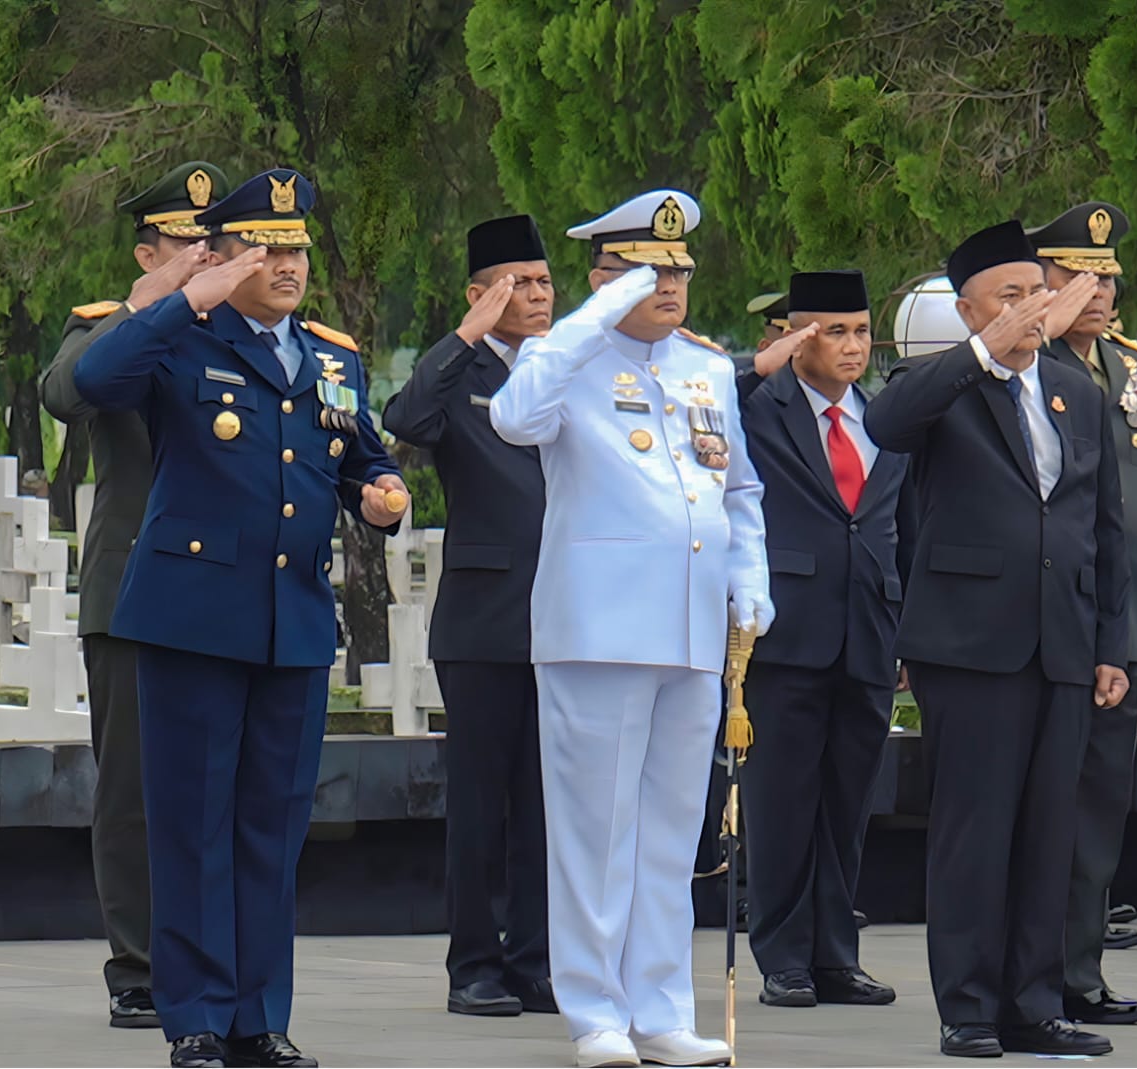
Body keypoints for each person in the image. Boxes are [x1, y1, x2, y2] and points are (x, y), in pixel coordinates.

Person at [72, 168, 408, 1069]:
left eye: (296, 249)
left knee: (271, 829)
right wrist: (185, 296)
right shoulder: (181, 339)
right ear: (219, 257)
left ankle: (259, 1015)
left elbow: (358, 454)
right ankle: (194, 1014)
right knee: (191, 826)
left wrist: (382, 490)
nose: (287, 265)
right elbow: (95, 378)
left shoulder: (330, 358)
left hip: (291, 620)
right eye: (264, 249)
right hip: (190, 617)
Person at [489, 189, 771, 1069]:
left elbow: (739, 488)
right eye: (647, 271)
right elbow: (513, 418)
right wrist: (593, 316)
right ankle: (595, 1012)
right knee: (595, 834)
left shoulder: (705, 367)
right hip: (599, 628)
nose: (669, 285)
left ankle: (660, 1009)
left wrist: (750, 575)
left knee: (670, 834)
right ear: (603, 276)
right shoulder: (566, 358)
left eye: (678, 269)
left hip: (690, 629)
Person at [865, 219, 1129, 1059]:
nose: (1028, 309)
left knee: (1050, 832)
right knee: (974, 831)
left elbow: (1104, 525)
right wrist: (981, 354)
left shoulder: (1076, 391)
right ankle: (970, 1006)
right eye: (1007, 297)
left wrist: (1111, 642)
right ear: (969, 310)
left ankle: (1034, 1003)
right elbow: (887, 423)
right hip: (971, 642)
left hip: (1062, 640)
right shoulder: (945, 386)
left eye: (1036, 293)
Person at [41, 160, 232, 1030]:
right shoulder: (105, 327)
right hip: (129, 586)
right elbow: (63, 392)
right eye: (183, 243)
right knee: (132, 789)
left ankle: (215, 956)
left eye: (211, 241)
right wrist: (144, 305)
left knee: (222, 787)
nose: (201, 255)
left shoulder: (243, 335)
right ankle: (138, 964)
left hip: (224, 586)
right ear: (147, 251)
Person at [381, 214, 556, 1017]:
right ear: (481, 294)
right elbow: (407, 420)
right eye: (520, 284)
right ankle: (475, 963)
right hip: (487, 618)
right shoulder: (464, 372)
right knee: (483, 803)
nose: (540, 296)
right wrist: (464, 337)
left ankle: (535, 959)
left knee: (547, 805)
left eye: (546, 282)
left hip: (569, 617)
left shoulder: (567, 367)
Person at [1024, 202, 1137, 1021]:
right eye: (1080, 277)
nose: (1099, 291)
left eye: (1108, 277)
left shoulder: (1132, 369)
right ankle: (1034, 976)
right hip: (1052, 618)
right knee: (1046, 808)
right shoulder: (1028, 366)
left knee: (1099, 811)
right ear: (1044, 283)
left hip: (1124, 621)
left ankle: (1081, 975)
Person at [734, 270, 908, 1010]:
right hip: (787, 632)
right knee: (782, 801)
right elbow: (705, 402)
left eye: (861, 331)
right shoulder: (759, 406)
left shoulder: (884, 414)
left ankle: (836, 954)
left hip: (869, 628)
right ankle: (783, 956)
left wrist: (908, 627)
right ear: (795, 336)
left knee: (846, 804)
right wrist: (758, 365)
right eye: (834, 331)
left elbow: (900, 524)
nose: (853, 346)